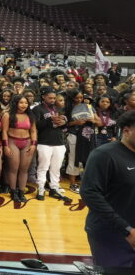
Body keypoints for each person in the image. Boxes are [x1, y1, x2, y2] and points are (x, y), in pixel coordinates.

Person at [80, 110, 135, 268]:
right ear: (126, 131)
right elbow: (90, 193)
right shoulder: (104, 155)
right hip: (111, 234)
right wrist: (126, 230)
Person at [32, 88, 70, 201]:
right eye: (50, 98)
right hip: (44, 142)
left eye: (54, 98)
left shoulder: (58, 108)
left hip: (59, 141)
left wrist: (64, 122)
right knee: (43, 167)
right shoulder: (37, 109)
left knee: (56, 168)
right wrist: (49, 120)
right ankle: (41, 188)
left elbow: (65, 124)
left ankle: (54, 188)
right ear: (43, 97)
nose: (53, 100)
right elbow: (36, 126)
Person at [2, 95, 38, 203]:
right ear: (16, 103)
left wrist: (33, 144)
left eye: (26, 103)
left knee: (24, 169)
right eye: (21, 103)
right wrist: (6, 146)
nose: (24, 105)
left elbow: (33, 131)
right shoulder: (7, 115)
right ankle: (13, 191)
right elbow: (4, 131)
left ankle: (21, 191)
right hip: (12, 142)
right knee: (13, 169)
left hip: (27, 143)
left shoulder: (30, 115)